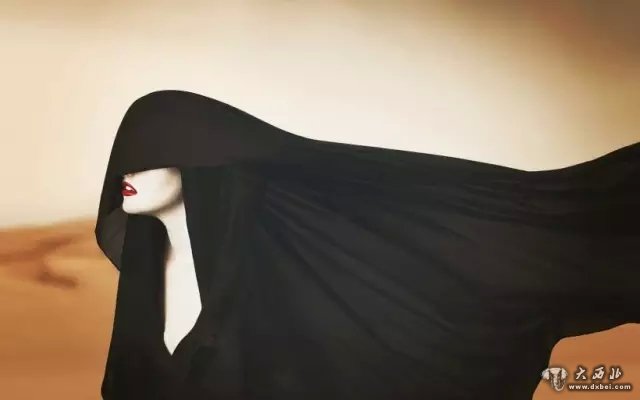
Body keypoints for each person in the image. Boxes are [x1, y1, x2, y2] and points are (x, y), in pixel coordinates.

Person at [96, 90, 640, 399]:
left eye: (148, 155)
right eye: (125, 157)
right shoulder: (146, 273)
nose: (127, 172)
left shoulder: (270, 262)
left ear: (197, 164)